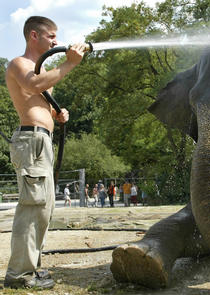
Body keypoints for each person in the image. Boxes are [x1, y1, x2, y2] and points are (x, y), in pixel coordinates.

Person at [4, 16, 86, 289]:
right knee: (32, 207)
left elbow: (40, 102)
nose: (56, 41)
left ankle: (30, 268)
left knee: (43, 209)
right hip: (31, 141)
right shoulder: (19, 64)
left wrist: (56, 114)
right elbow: (34, 86)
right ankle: (19, 275)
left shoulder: (40, 71)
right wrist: (70, 63)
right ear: (34, 36)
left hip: (42, 141)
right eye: (51, 36)